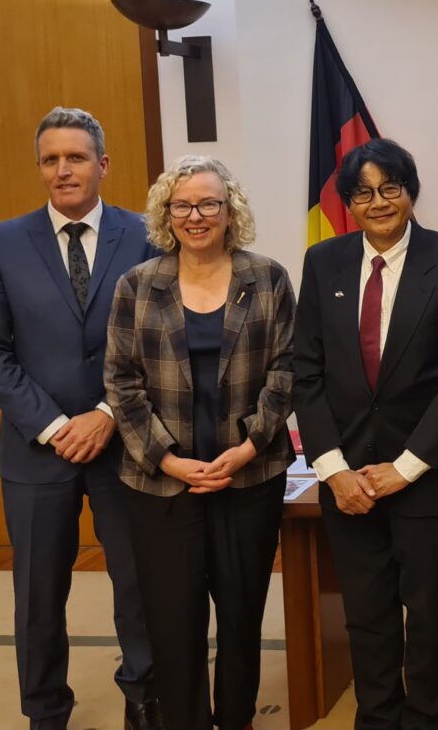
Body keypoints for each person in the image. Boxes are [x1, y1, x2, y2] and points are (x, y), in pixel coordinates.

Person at [0, 107, 161, 730]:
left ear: (102, 164)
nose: (62, 170)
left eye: (75, 157)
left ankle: (143, 694)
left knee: (138, 584)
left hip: (126, 440)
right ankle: (45, 710)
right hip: (36, 449)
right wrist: (54, 426)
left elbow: (160, 339)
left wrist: (106, 413)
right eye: (50, 160)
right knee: (37, 595)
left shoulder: (147, 236)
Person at [293, 138, 438, 730]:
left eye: (390, 188)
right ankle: (376, 717)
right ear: (347, 202)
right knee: (366, 611)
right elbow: (306, 373)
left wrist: (406, 467)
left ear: (410, 191)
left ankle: (430, 717)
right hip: (346, 476)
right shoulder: (323, 262)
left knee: (426, 612)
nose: (377, 202)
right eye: (362, 193)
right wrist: (332, 470)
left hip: (422, 475)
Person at [104, 155, 295, 730]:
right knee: (174, 622)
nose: (196, 215)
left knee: (241, 620)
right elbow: (120, 380)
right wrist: (169, 458)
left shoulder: (267, 278)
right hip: (160, 485)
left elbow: (287, 372)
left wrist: (248, 447)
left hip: (249, 480)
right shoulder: (138, 285)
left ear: (229, 210)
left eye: (208, 202)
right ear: (167, 214)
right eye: (182, 204)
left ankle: (236, 719)